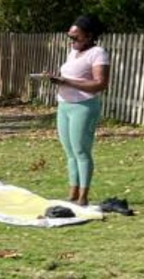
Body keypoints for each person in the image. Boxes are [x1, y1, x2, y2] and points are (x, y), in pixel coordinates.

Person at [45, 15, 110, 206]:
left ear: (89, 36)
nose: (72, 41)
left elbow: (100, 84)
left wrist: (66, 82)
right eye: (70, 37)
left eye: (76, 37)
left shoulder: (98, 53)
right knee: (70, 152)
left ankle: (83, 196)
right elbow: (70, 75)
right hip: (64, 105)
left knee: (81, 151)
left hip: (83, 107)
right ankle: (72, 193)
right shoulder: (73, 52)